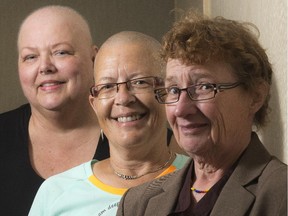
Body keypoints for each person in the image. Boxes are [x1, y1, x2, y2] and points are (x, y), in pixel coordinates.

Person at [116, 12, 287, 216]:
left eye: (204, 86)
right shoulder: (137, 204)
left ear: (255, 95)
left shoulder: (280, 194)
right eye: (173, 90)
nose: (180, 109)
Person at [28, 31, 189, 216]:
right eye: (107, 87)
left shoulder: (203, 180)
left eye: (139, 82)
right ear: (94, 104)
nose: (123, 98)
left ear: (168, 93)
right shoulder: (56, 193)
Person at [0, 5, 102, 216]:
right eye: (30, 57)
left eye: (61, 52)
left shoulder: (138, 140)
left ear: (94, 58)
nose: (45, 66)